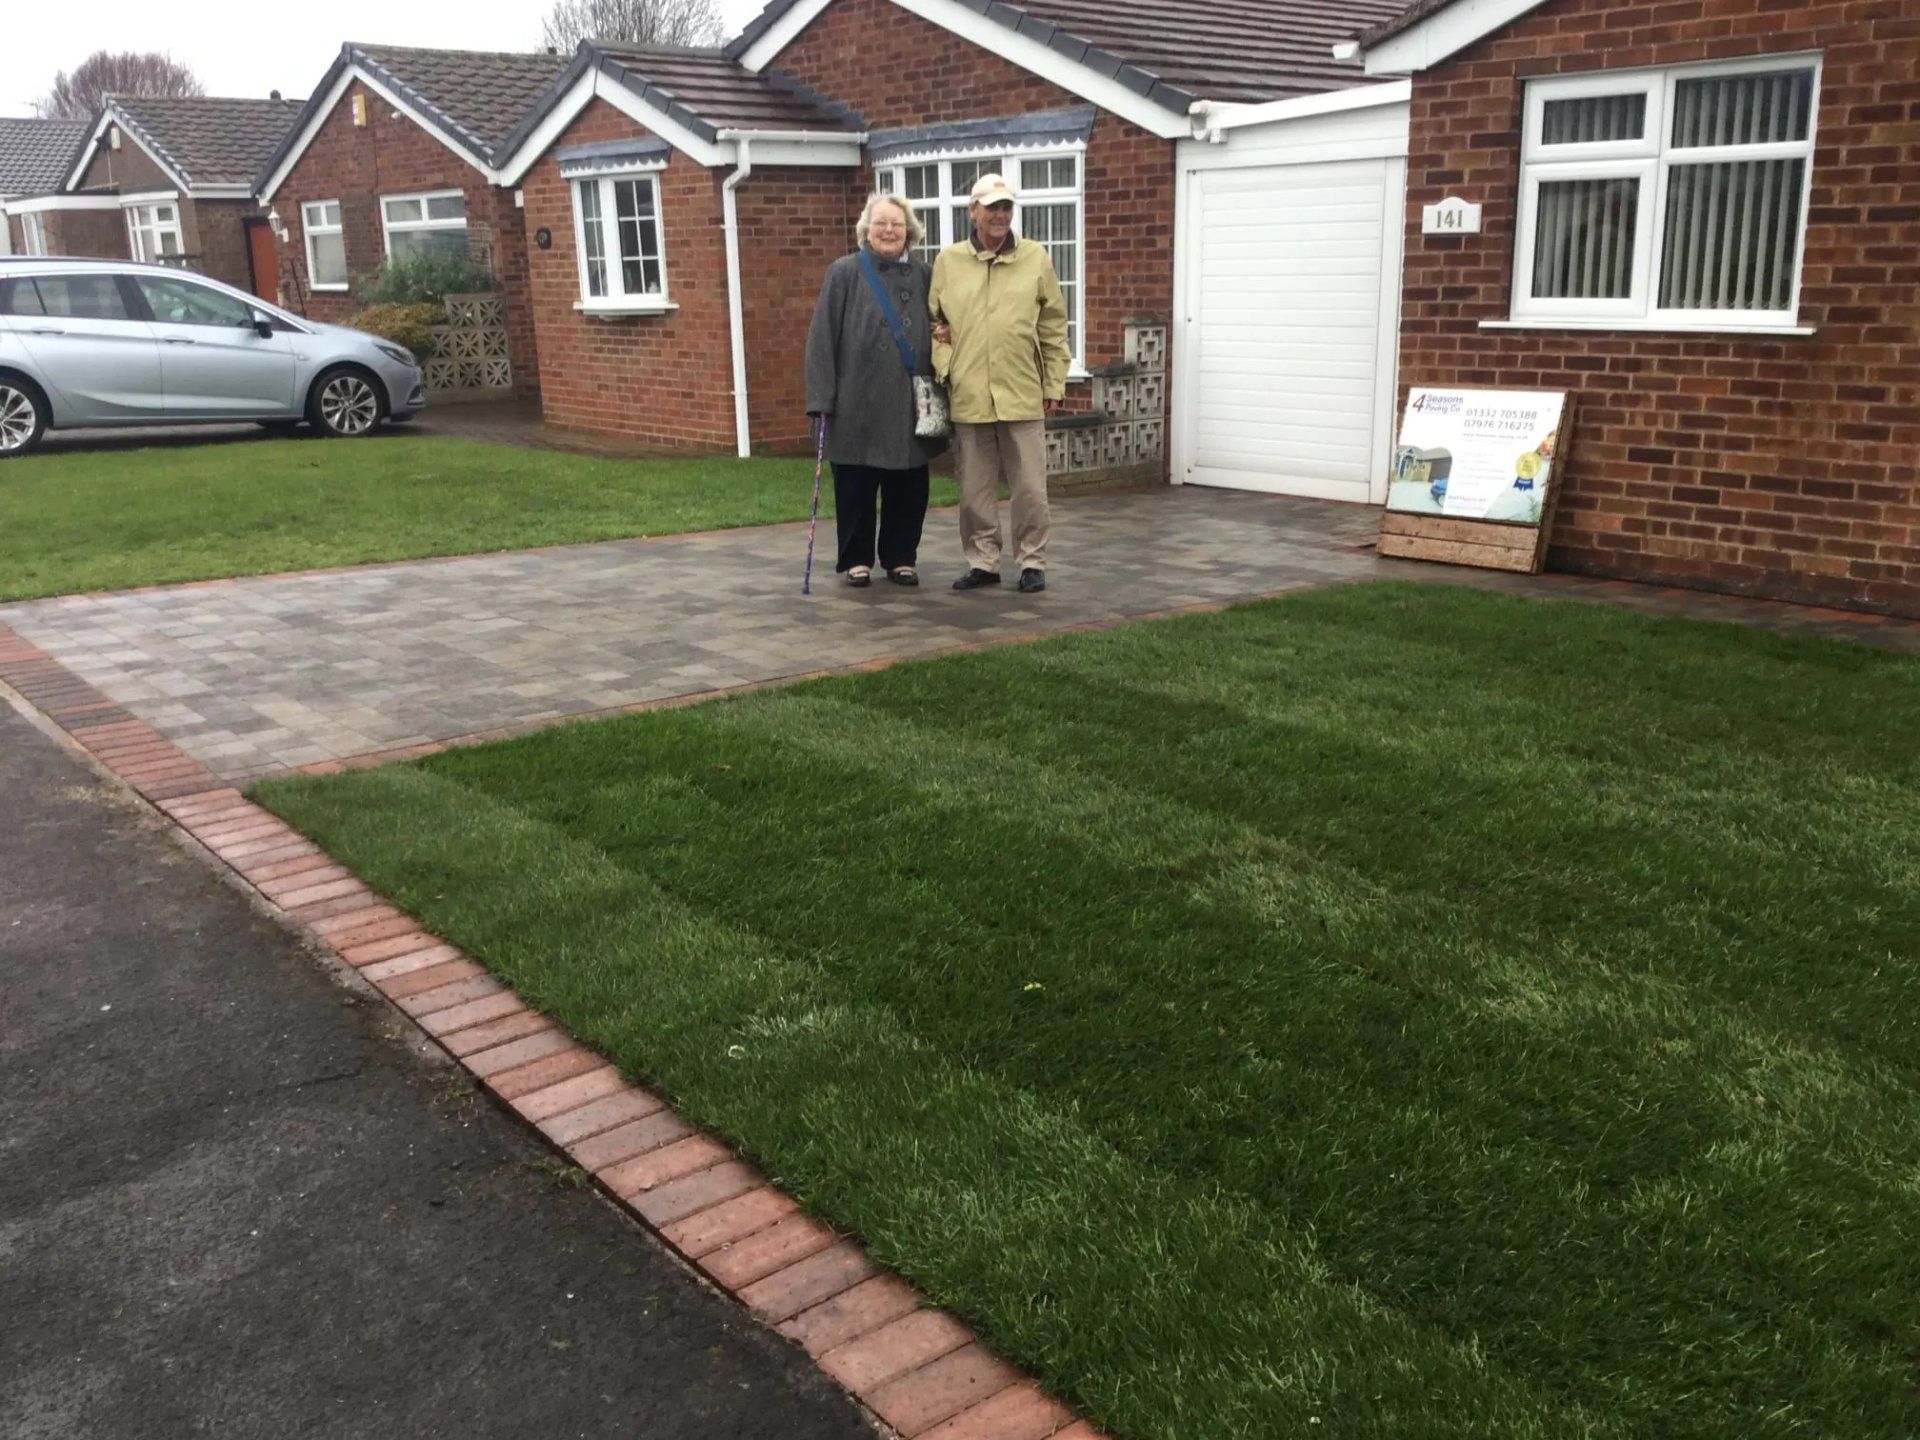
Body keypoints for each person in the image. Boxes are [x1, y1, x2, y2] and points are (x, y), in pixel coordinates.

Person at [928, 173, 1071, 594]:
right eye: (992, 207)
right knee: (974, 488)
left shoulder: (1035, 258)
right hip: (970, 391)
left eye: (1006, 207)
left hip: (1022, 389)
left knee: (1030, 486)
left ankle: (1032, 561)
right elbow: (937, 323)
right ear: (973, 211)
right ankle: (983, 561)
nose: (1000, 215)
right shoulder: (948, 262)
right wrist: (946, 366)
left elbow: (1053, 325)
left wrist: (1053, 383)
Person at [804, 193, 944, 587]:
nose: (888, 230)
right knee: (855, 483)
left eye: (897, 224)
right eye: (881, 223)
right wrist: (820, 400)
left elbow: (940, 323)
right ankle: (856, 558)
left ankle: (901, 557)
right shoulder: (844, 272)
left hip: (908, 401)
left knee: (909, 484)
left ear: (910, 232)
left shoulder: (923, 275)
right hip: (855, 400)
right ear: (866, 229)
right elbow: (821, 338)